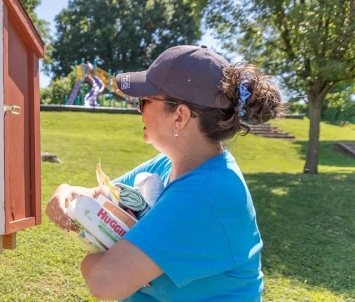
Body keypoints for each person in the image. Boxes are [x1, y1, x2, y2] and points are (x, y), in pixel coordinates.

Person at [46, 45, 283, 301]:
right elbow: (103, 197)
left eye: (145, 100)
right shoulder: (167, 165)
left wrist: (91, 261)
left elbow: (105, 281)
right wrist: (67, 191)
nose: (139, 109)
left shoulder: (205, 194)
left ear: (180, 116)